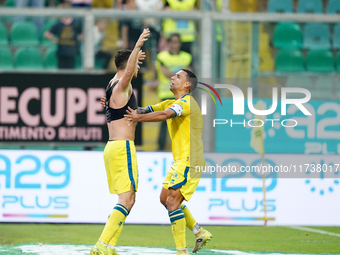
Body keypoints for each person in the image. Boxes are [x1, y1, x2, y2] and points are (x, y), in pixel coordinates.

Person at [125, 69, 212, 255]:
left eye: (178, 76)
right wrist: (113, 104)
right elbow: (142, 110)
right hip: (180, 160)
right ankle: (199, 232)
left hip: (190, 159)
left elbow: (164, 115)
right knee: (165, 199)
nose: (172, 78)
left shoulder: (186, 103)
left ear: (187, 85)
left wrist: (138, 118)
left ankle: (181, 251)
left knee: (173, 201)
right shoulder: (170, 103)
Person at [90, 28, 150, 255]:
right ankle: (101, 245)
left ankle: (110, 246)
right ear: (130, 65)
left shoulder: (111, 84)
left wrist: (134, 54)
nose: (138, 69)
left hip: (113, 146)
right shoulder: (122, 84)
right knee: (127, 199)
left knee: (127, 199)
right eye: (136, 65)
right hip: (122, 147)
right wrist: (137, 47)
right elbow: (127, 73)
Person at [154, 33, 192, 151]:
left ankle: (182, 147)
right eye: (173, 42)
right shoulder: (162, 56)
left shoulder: (186, 57)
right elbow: (165, 74)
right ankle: (161, 147)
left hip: (182, 95)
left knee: (182, 122)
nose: (175, 44)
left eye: (177, 42)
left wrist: (175, 74)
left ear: (180, 43)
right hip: (166, 93)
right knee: (164, 121)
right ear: (169, 43)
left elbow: (189, 73)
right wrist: (181, 74)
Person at [44, 2, 83, 69]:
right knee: (61, 71)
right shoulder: (59, 24)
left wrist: (79, 38)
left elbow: (82, 34)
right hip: (61, 51)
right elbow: (47, 34)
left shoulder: (76, 24)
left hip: (72, 52)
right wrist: (55, 40)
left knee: (71, 71)